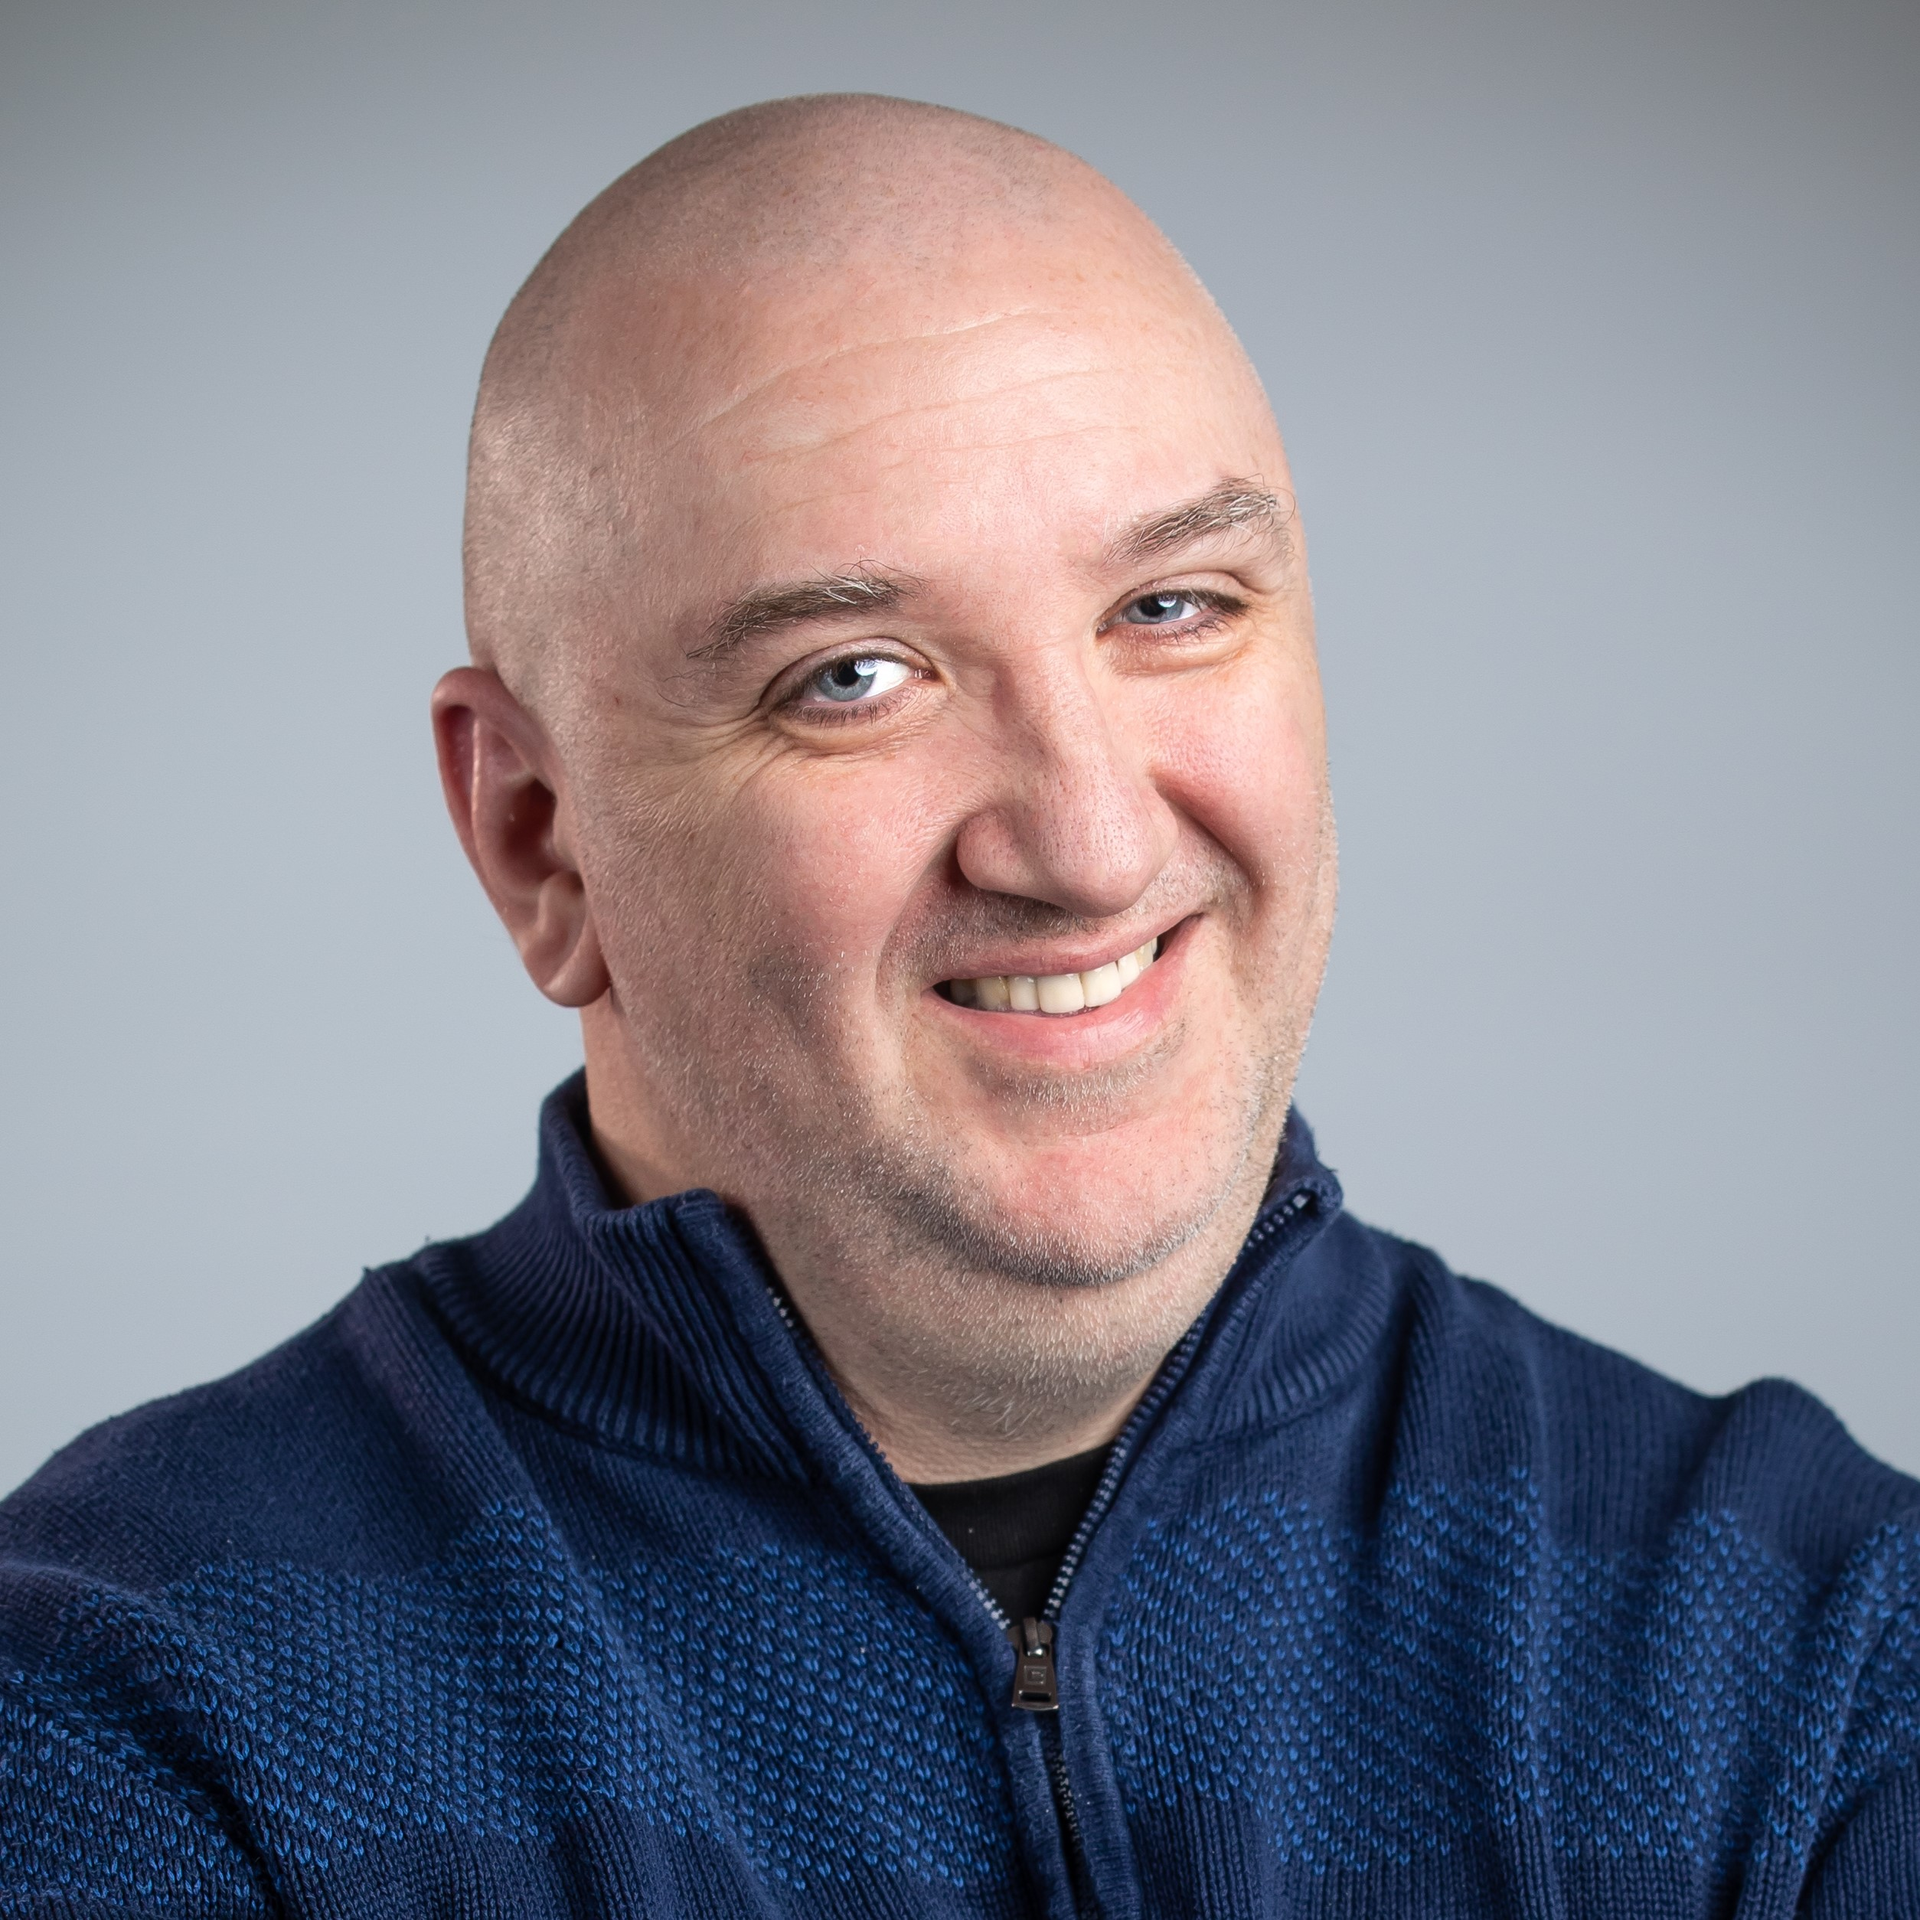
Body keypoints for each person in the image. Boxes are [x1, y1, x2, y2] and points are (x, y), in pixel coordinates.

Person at [1, 93, 1914, 1919]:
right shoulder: (138, 1707)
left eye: (1173, 606)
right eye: (856, 674)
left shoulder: (1805, 1645)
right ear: (537, 836)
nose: (1087, 844)